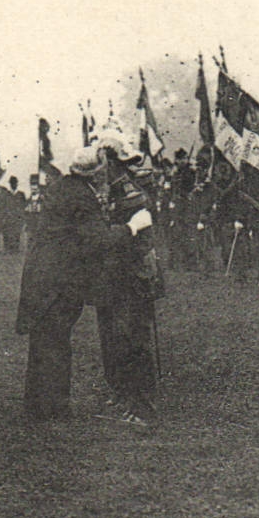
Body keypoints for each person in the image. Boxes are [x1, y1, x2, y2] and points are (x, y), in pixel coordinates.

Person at [15, 142, 153, 423]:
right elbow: (98, 240)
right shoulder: (81, 196)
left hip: (43, 277)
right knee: (54, 343)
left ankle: (39, 407)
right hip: (57, 282)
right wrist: (133, 226)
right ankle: (53, 410)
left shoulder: (63, 187)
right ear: (96, 172)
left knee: (44, 342)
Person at [91, 128, 165, 424]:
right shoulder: (111, 191)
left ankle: (141, 405)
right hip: (113, 277)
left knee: (131, 340)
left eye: (103, 163)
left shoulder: (130, 195)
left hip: (129, 278)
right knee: (113, 338)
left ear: (112, 163)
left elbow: (137, 243)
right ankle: (122, 394)